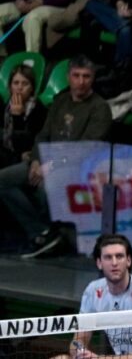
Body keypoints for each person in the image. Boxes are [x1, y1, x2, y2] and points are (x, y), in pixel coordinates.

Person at [0, 54, 112, 258]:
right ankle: (42, 232)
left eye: (86, 76)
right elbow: (43, 135)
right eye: (76, 75)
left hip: (76, 166)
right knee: (3, 180)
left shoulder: (100, 108)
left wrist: (51, 164)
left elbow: (85, 149)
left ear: (92, 78)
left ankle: (54, 235)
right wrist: (36, 159)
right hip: (45, 161)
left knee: (45, 186)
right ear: (68, 77)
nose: (81, 81)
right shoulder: (60, 101)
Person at [1, 64, 47, 168]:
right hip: (6, 153)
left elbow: (25, 145)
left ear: (32, 88)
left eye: (25, 83)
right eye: (16, 83)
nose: (19, 87)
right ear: (10, 86)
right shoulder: (6, 106)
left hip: (24, 158)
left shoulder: (38, 109)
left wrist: (18, 117)